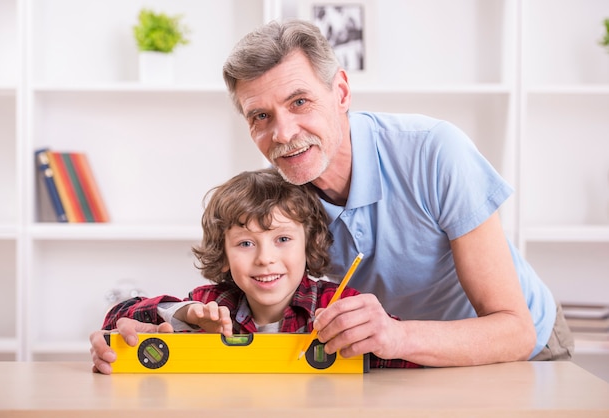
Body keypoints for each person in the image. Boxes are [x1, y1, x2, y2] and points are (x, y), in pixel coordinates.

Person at [91, 19, 573, 370]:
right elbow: (225, 301)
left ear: (341, 92)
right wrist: (151, 326)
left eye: (299, 102)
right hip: (397, 360)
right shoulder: (279, 198)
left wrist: (397, 335)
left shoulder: (434, 152)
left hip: (521, 349)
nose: (283, 133)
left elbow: (514, 327)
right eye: (260, 116)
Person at [91, 168, 420, 374]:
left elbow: (401, 358)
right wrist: (182, 313)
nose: (265, 258)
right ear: (224, 254)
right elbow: (116, 317)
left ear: (309, 244)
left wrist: (381, 339)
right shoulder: (211, 304)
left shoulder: (338, 304)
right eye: (246, 243)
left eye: (283, 239)